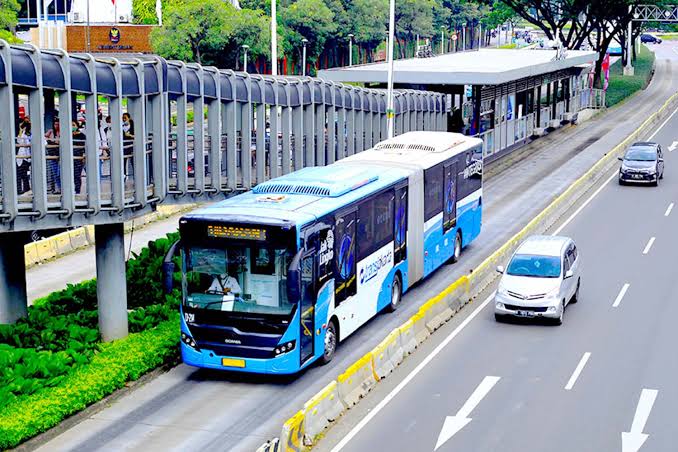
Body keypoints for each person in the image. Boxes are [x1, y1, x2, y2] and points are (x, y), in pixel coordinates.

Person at [45, 117, 61, 194]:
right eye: (55, 124)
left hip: (61, 156)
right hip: (53, 155)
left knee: (60, 173)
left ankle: (62, 187)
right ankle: (58, 188)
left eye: (58, 124)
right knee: (55, 174)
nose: (56, 126)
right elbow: (44, 136)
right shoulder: (51, 132)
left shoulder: (62, 132)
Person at [16, 122, 32, 195]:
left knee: (23, 174)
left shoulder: (28, 135)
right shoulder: (22, 134)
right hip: (22, 157)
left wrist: (22, 131)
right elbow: (19, 141)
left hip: (26, 157)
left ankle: (26, 189)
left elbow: (21, 141)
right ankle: (23, 189)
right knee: (21, 174)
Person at [72, 121, 86, 194]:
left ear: (77, 126)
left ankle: (77, 191)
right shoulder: (68, 135)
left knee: (77, 175)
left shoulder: (82, 136)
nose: (72, 127)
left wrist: (83, 156)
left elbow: (84, 146)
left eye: (73, 125)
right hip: (70, 158)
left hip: (79, 158)